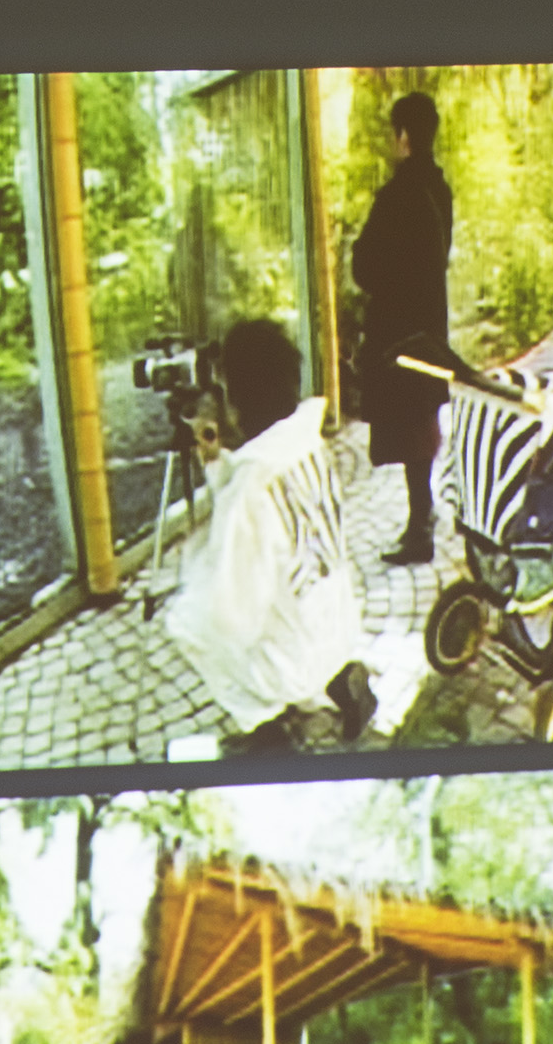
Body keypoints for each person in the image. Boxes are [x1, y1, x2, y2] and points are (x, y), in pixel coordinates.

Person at [159, 317, 368, 741]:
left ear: (234, 400)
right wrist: (214, 458)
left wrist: (193, 585)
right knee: (288, 591)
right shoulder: (311, 444)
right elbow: (267, 505)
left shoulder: (251, 486)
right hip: (342, 625)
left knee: (184, 623)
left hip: (296, 661)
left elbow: (234, 618)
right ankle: (344, 685)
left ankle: (266, 727)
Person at [352, 89, 455, 565]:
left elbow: (365, 268)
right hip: (429, 327)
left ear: (405, 137)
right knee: (422, 422)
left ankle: (420, 529)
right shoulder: (439, 190)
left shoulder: (396, 197)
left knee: (411, 426)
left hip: (398, 332)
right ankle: (422, 518)